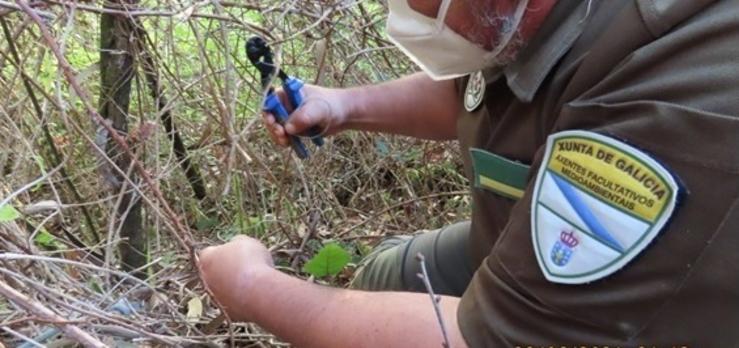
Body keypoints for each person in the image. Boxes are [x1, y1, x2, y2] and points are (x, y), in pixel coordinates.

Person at [199, 0, 739, 346]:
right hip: (516, 230)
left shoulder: (670, 77)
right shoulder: (536, 20)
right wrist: (343, 106)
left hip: (635, 316)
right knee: (387, 272)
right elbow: (483, 90)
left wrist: (252, 288)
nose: (395, 11)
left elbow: (487, 342)